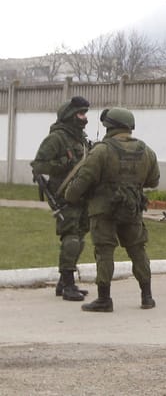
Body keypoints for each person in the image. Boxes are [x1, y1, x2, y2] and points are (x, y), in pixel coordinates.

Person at [64, 107, 160, 313]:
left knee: (104, 252)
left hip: (103, 210)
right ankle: (147, 296)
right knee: (138, 250)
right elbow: (153, 180)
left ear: (109, 126)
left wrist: (69, 196)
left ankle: (104, 299)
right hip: (132, 209)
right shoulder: (146, 151)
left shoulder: (101, 150)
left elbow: (83, 180)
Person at [31, 96, 92, 301]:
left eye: (85, 114)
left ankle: (62, 283)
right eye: (80, 114)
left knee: (80, 237)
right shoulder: (56, 138)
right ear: (69, 115)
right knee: (71, 238)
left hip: (82, 194)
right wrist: (64, 163)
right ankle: (68, 284)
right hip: (64, 195)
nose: (84, 118)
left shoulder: (80, 138)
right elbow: (39, 165)